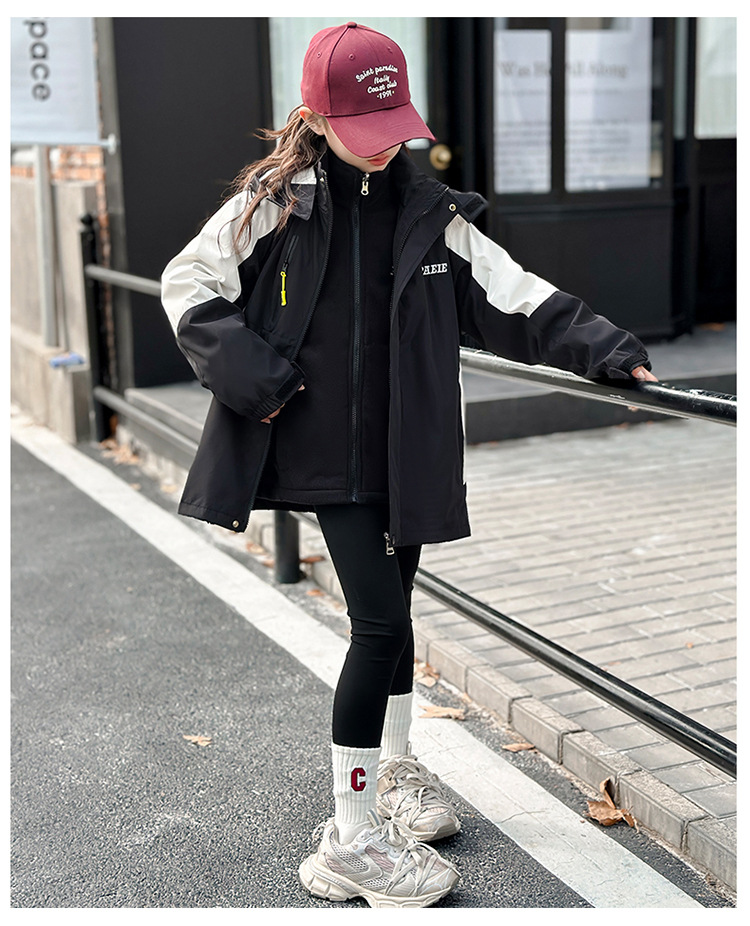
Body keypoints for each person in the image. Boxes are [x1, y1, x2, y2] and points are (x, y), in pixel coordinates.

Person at [161, 21, 658, 908]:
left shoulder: (431, 214)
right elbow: (187, 285)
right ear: (316, 118)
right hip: (321, 451)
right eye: (367, 126)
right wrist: (262, 383)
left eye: (395, 124)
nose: (389, 142)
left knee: (396, 618)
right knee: (381, 629)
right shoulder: (274, 206)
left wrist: (611, 351)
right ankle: (349, 841)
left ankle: (394, 772)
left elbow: (518, 297)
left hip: (407, 450)